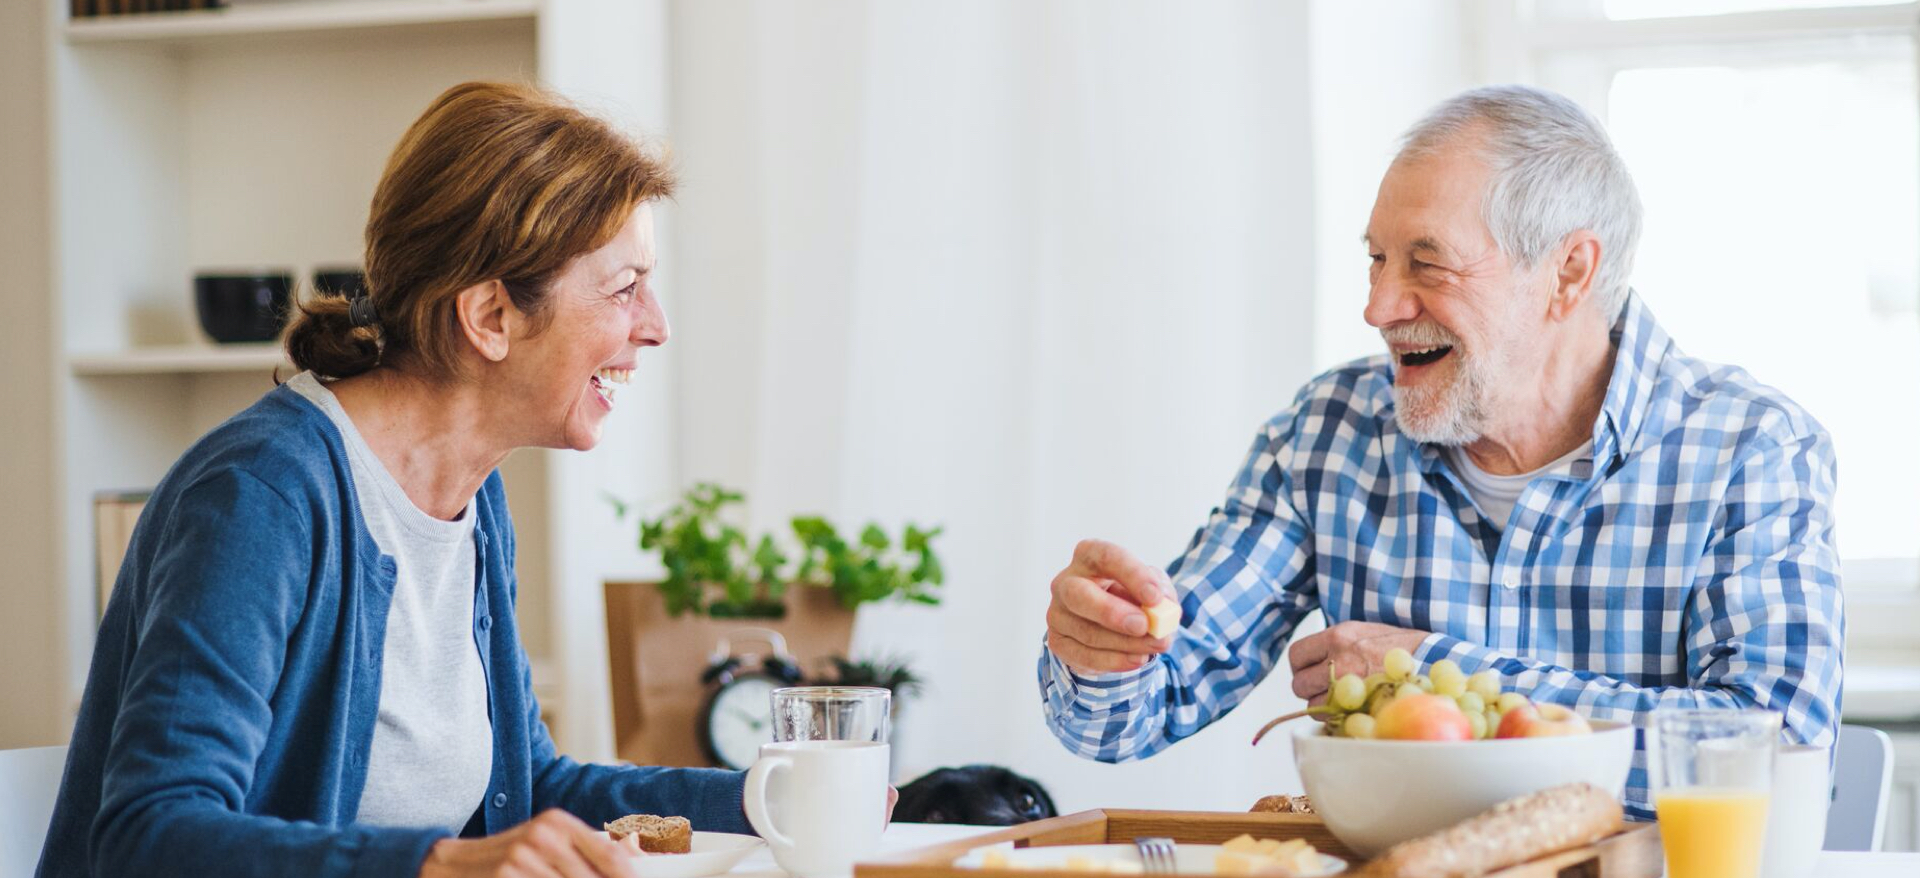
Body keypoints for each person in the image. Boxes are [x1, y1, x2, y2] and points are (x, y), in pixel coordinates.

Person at [1036, 85, 1843, 818]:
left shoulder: (1752, 450)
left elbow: (1779, 752)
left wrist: (1438, 674)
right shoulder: (1329, 431)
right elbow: (1128, 719)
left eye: (1427, 263)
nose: (1378, 305)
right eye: (1377, 259)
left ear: (1568, 272)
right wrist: (1105, 650)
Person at [38, 82, 741, 878]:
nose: (656, 325)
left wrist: (768, 799)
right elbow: (150, 837)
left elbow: (530, 787)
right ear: (490, 318)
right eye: (624, 288)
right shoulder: (262, 496)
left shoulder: (470, 496)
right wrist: (441, 865)